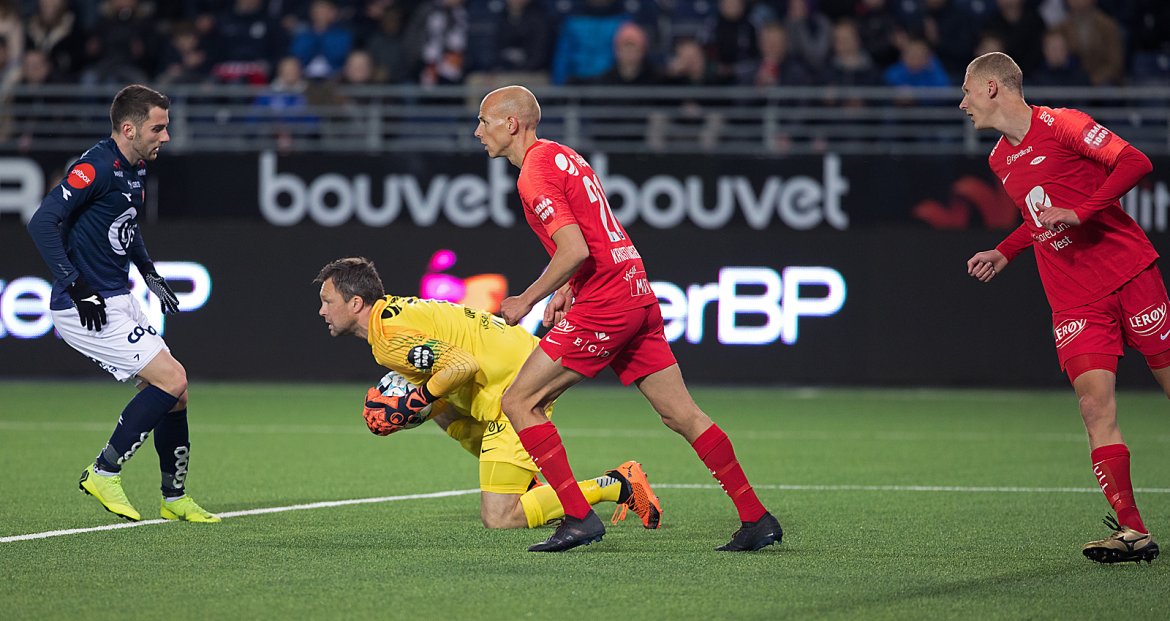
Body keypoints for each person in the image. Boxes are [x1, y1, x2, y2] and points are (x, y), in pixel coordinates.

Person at [473, 85, 782, 552]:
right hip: (634, 289)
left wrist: (529, 299)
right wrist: (564, 289)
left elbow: (575, 248)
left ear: (511, 124)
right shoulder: (562, 156)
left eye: (485, 122)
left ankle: (578, 516)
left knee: (519, 401)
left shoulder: (531, 175)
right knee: (681, 414)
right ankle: (757, 518)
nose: (478, 132)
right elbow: (593, 235)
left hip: (607, 302)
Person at [961, 52, 1160, 564]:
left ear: (991, 89)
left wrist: (1083, 210)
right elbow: (1042, 217)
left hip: (1129, 273)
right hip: (1073, 296)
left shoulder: (1064, 124)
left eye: (966, 91)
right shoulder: (999, 161)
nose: (962, 103)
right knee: (1095, 407)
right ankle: (1133, 531)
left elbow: (1136, 162)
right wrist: (1005, 250)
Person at [314, 256, 663, 531]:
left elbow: (461, 366)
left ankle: (617, 484)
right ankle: (528, 488)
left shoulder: (388, 339)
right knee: (447, 412)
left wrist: (414, 401)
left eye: (328, 301)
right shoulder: (393, 317)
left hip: (516, 386)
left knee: (500, 518)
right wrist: (416, 411)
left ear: (356, 303)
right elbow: (447, 382)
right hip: (511, 371)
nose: (322, 311)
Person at [25, 85, 218, 524]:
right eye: (159, 127)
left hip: (117, 296)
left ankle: (174, 498)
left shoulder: (135, 169)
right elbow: (42, 222)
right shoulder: (95, 166)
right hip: (83, 305)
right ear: (128, 129)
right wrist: (74, 285)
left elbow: (126, 227)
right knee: (172, 378)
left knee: (177, 395)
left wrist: (149, 273)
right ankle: (103, 471)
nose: (166, 136)